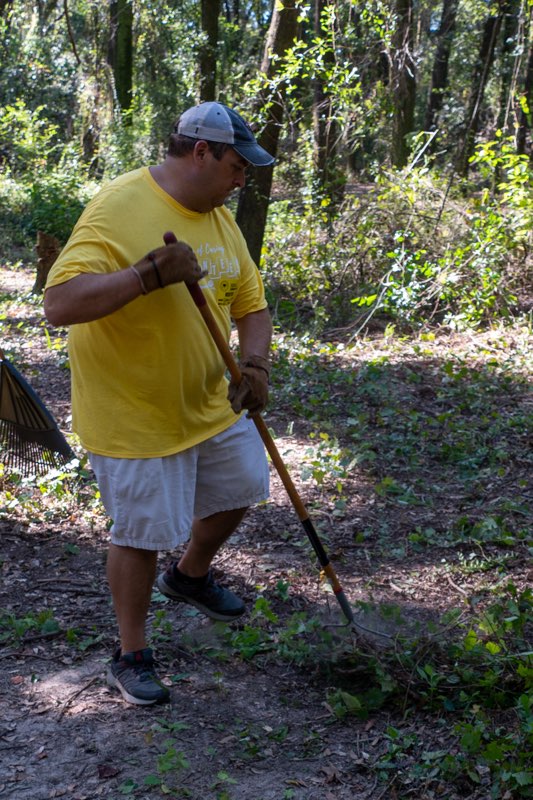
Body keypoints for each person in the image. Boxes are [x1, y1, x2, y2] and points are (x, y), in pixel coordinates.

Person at [44, 102, 274, 706]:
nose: (241, 179)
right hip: (135, 409)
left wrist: (255, 364)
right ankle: (130, 653)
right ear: (200, 152)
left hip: (207, 401)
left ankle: (190, 576)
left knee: (246, 483)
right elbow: (59, 305)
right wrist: (146, 274)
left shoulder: (221, 219)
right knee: (142, 532)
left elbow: (251, 304)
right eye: (235, 165)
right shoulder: (120, 207)